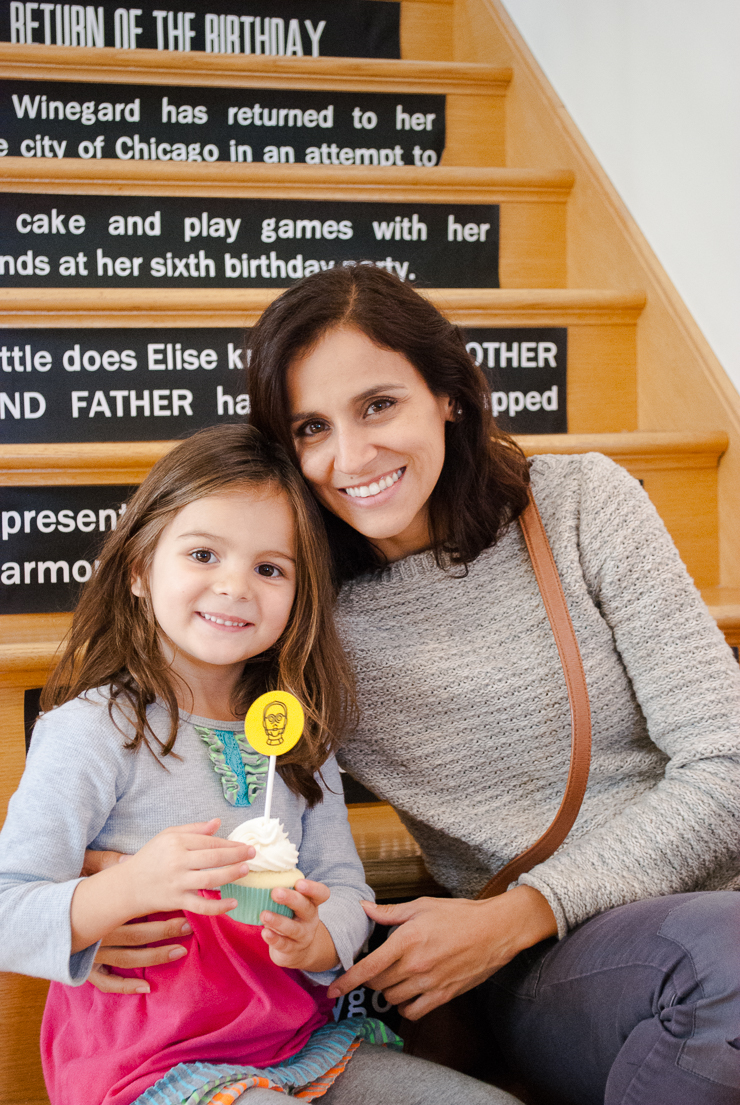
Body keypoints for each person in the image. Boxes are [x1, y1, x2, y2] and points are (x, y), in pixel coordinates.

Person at [86, 268, 740, 1105]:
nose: (352, 456)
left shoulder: (582, 506)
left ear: (449, 395)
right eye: (312, 427)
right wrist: (88, 886)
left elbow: (726, 761)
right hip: (550, 963)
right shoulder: (297, 603)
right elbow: (165, 733)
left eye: (379, 405)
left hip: (610, 912)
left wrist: (528, 904)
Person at [0, 424, 520, 1105]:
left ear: (300, 594)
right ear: (137, 569)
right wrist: (122, 892)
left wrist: (319, 937)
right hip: (151, 1065)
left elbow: (344, 887)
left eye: (269, 568)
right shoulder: (89, 732)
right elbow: (9, 908)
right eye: (203, 553)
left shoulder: (297, 733)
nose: (235, 586)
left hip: (301, 1042)